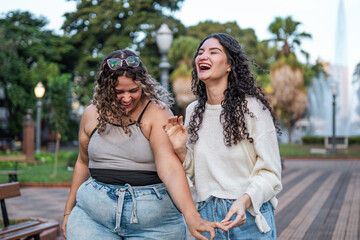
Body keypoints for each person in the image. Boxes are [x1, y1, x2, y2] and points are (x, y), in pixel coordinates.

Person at [62, 49, 225, 240]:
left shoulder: (157, 113)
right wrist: (68, 212)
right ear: (106, 88)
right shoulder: (91, 114)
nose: (126, 98)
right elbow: (82, 163)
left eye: (133, 90)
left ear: (143, 85)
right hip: (93, 218)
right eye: (118, 92)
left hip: (153, 224)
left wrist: (192, 217)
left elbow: (170, 168)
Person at [163, 33, 283, 240]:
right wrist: (181, 148)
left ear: (229, 65)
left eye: (213, 52)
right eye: (200, 53)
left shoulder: (252, 108)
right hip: (208, 216)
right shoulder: (194, 111)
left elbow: (271, 173)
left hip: (250, 215)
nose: (203, 57)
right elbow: (196, 173)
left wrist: (244, 200)